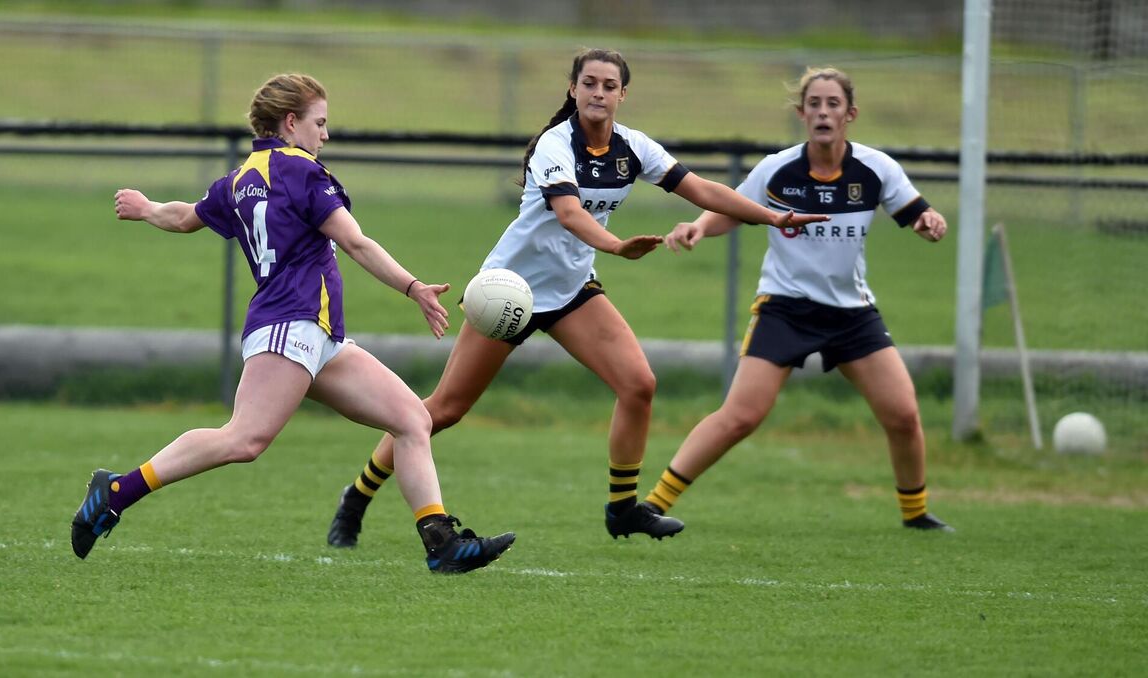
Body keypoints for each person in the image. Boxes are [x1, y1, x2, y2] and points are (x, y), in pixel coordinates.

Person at [326, 49, 829, 548]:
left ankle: (624, 509)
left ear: (622, 95)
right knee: (446, 409)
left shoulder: (632, 146)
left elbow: (700, 190)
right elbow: (568, 212)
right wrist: (615, 246)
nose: (599, 93)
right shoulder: (555, 144)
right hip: (510, 292)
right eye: (589, 83)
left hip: (570, 291)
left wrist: (774, 217)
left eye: (610, 86)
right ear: (573, 89)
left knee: (639, 385)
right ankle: (357, 496)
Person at [70, 73, 515, 574]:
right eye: (319, 123)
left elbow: (185, 216)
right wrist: (413, 288)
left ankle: (442, 542)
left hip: (317, 335)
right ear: (290, 122)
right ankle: (116, 491)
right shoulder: (303, 172)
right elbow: (356, 242)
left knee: (413, 419)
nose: (325, 135)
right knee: (244, 439)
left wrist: (146, 208)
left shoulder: (239, 179)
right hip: (290, 324)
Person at [641, 67, 954, 532]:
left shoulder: (876, 168)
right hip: (785, 308)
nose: (823, 112)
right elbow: (733, 209)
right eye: (814, 104)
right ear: (802, 113)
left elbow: (917, 212)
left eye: (832, 104)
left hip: (852, 314)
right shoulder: (777, 169)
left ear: (850, 114)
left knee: (904, 414)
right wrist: (698, 227)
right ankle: (653, 504)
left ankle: (916, 514)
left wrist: (930, 221)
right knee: (741, 416)